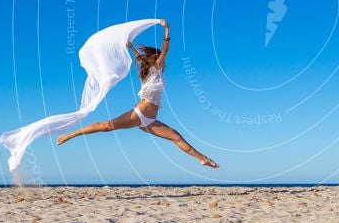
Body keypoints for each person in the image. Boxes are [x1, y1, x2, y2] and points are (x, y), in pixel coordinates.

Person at [56, 19, 219, 168]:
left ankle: (202, 158)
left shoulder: (151, 73)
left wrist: (131, 46)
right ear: (156, 60)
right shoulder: (156, 68)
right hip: (139, 113)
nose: (164, 62)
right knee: (106, 126)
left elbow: (139, 57)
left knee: (176, 137)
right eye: (160, 59)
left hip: (149, 121)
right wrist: (167, 29)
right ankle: (70, 135)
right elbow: (165, 50)